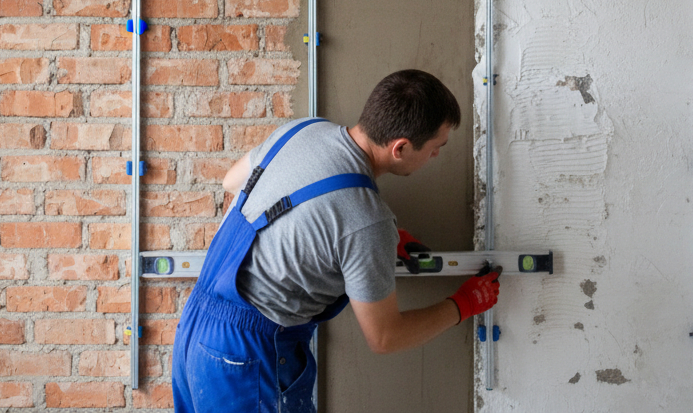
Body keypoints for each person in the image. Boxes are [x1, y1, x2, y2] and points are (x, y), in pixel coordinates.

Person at [171, 69, 502, 413]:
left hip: (194, 332)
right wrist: (464, 304)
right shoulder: (367, 219)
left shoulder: (304, 130)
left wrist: (342, 240)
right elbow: (386, 337)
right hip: (249, 359)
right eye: (436, 148)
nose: (435, 157)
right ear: (400, 148)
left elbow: (232, 181)